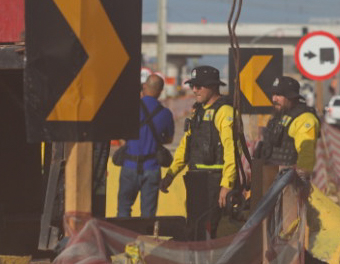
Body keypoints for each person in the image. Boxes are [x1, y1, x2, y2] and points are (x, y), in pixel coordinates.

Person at [161, 65, 238, 240]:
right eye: (192, 86)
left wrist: (227, 185)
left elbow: (231, 151)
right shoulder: (197, 112)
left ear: (213, 86)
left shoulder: (225, 112)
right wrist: (171, 174)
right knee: (194, 227)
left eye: (199, 86)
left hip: (215, 181)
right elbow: (185, 147)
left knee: (210, 229)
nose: (194, 90)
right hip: (196, 179)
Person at [113, 74, 175, 218]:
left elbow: (120, 133)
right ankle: (145, 234)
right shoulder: (165, 113)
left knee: (123, 210)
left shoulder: (131, 108)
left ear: (144, 87)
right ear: (160, 91)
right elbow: (169, 139)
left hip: (129, 166)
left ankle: (123, 233)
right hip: (152, 168)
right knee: (148, 215)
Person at [255, 76, 321, 176]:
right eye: (273, 94)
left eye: (279, 95)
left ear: (291, 97)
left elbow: (306, 155)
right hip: (271, 177)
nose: (274, 99)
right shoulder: (279, 116)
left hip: (289, 180)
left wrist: (301, 177)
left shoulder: (304, 119)